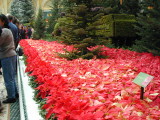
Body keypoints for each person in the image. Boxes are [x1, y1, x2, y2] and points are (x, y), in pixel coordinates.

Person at [0, 14, 18, 103]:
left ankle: (11, 97)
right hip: (11, 55)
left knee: (8, 77)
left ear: (3, 21)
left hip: (7, 56)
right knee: (11, 76)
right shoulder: (7, 30)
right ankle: (15, 93)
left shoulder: (4, 31)